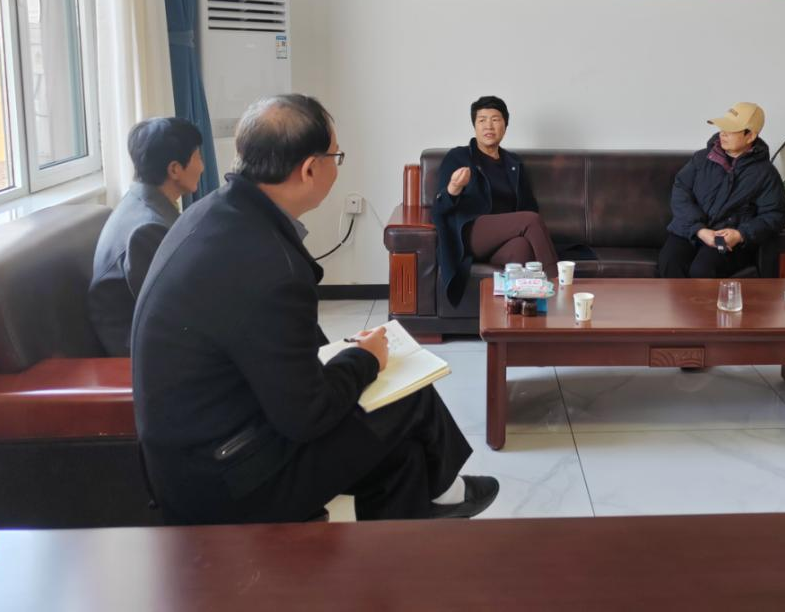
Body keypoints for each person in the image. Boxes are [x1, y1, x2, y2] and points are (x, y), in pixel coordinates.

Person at [132, 94, 496, 524]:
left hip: (203, 449)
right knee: (407, 398)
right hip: (227, 480)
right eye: (336, 157)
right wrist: (364, 358)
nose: (337, 167)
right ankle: (444, 492)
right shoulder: (270, 267)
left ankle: (417, 524)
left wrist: (350, 356)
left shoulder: (213, 213)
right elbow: (308, 415)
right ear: (309, 169)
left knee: (404, 453)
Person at [88, 117, 204, 356]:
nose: (202, 167)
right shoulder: (148, 229)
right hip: (142, 353)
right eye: (198, 157)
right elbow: (169, 311)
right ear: (174, 169)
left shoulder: (140, 203)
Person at [433, 95, 557, 306]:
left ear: (505, 126)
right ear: (474, 126)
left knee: (521, 248)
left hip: (503, 241)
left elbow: (528, 206)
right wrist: (453, 188)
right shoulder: (458, 157)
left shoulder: (513, 163)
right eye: (482, 120)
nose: (489, 126)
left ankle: (518, 315)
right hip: (471, 234)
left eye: (495, 119)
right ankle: (559, 290)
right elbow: (438, 209)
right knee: (531, 220)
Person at [658, 101, 785, 278]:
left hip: (727, 240)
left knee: (702, 270)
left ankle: (704, 299)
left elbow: (776, 213)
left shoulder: (765, 173)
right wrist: (699, 229)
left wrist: (740, 234)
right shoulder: (701, 159)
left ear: (750, 136)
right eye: (722, 127)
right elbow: (681, 192)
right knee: (669, 262)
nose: (723, 133)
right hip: (692, 230)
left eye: (731, 129)